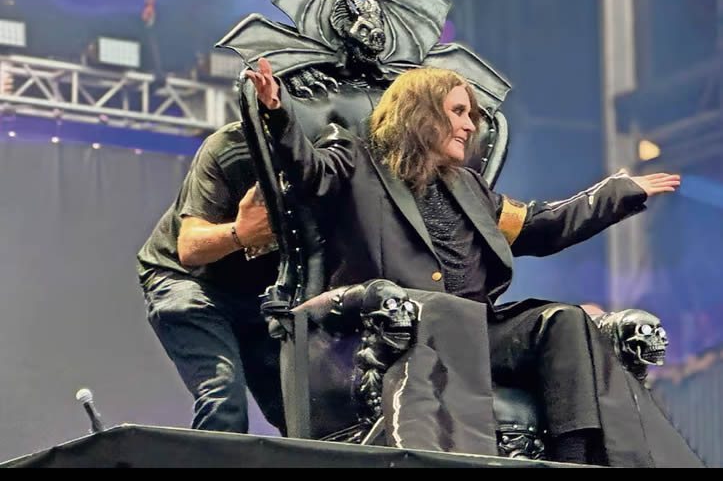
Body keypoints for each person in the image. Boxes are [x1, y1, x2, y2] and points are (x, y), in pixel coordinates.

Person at [244, 57, 703, 466]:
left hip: (478, 331)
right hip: (401, 330)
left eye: (471, 115)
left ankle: (576, 459)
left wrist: (616, 192)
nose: (469, 126)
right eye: (459, 112)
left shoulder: (470, 188)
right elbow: (307, 170)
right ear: (421, 113)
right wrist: (277, 112)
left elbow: (540, 225)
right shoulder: (355, 160)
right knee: (448, 312)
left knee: (564, 321)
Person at [136, 120, 285, 435]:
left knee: (305, 408)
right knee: (224, 399)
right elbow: (190, 247)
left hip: (259, 294)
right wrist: (241, 233)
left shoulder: (336, 156)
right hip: (188, 279)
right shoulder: (232, 146)